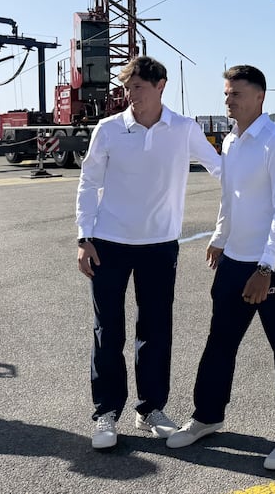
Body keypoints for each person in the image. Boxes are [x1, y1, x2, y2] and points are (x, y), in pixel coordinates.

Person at [166, 64, 275, 471]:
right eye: (226, 94)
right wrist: (220, 237)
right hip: (235, 259)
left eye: (235, 94)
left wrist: (266, 268)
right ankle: (207, 416)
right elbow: (230, 197)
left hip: (273, 264)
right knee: (220, 342)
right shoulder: (232, 141)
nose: (228, 100)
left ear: (259, 97)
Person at [75, 56, 222, 450]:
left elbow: (220, 169)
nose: (131, 95)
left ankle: (150, 409)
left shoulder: (184, 129)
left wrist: (262, 179)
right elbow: (88, 183)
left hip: (159, 246)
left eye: (138, 87)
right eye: (127, 88)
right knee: (108, 331)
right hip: (108, 243)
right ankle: (106, 412)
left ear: (160, 86)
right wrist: (83, 238)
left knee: (155, 330)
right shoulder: (109, 129)